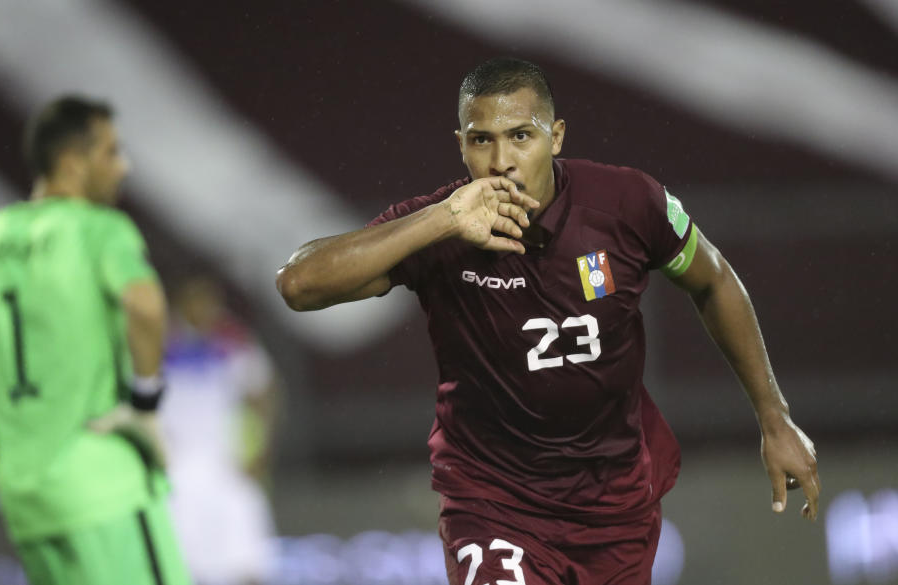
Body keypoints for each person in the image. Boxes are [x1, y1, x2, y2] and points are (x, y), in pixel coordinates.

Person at [276, 58, 820, 584]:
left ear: (556, 137)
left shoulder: (628, 205)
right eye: (480, 139)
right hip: (493, 501)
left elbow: (714, 279)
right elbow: (298, 285)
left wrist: (775, 419)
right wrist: (440, 220)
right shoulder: (438, 230)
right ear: (460, 145)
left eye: (520, 135)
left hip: (614, 504)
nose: (500, 161)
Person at [0, 95, 191, 585]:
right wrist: (145, 402)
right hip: (102, 482)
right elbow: (144, 303)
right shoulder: (99, 230)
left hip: (22, 496)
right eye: (111, 152)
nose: (124, 166)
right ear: (73, 163)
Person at [160, 276, 279, 585]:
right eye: (196, 301)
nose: (204, 309)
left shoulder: (232, 343)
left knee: (247, 566)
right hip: (176, 474)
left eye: (210, 302)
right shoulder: (158, 346)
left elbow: (264, 393)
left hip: (229, 469)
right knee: (182, 569)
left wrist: (260, 451)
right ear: (180, 304)